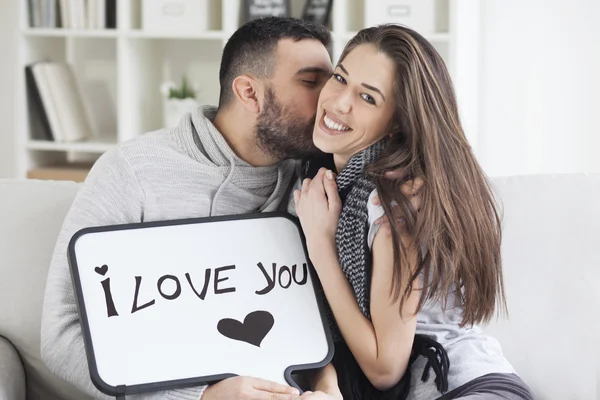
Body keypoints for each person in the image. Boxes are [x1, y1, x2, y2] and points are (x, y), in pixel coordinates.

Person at [40, 17, 338, 400]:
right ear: (249, 93)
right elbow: (61, 332)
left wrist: (327, 384)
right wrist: (198, 397)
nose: (331, 100)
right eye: (311, 82)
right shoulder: (133, 170)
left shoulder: (317, 180)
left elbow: (316, 318)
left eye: (333, 82)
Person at [293, 25, 535, 400]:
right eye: (340, 78)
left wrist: (320, 246)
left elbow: (384, 368)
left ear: (399, 123)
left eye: (368, 98)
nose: (339, 102)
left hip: (464, 386)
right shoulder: (325, 184)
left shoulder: (392, 203)